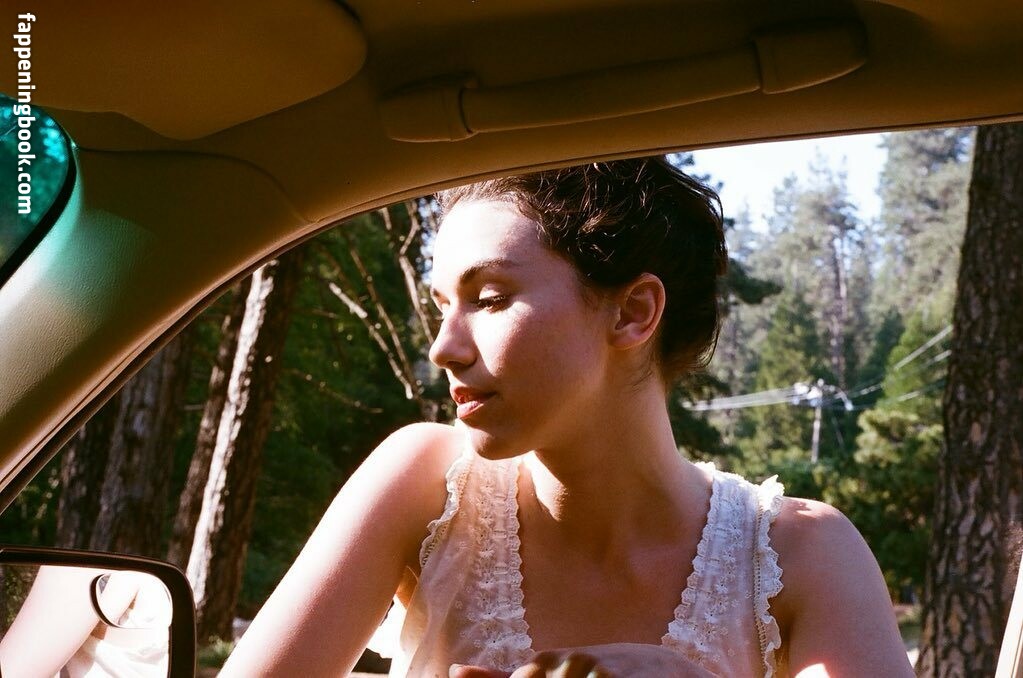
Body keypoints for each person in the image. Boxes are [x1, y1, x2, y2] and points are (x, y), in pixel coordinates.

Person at [220, 158, 913, 677]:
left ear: (632, 312)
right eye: (442, 306)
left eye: (489, 298)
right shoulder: (424, 486)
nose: (443, 348)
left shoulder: (803, 554)